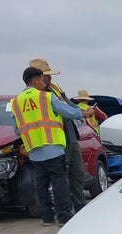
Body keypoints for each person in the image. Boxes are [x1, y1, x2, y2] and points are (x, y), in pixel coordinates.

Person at [11, 66, 91, 226]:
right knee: (59, 183)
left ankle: (47, 218)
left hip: (34, 151)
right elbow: (66, 110)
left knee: (41, 185)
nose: (44, 83)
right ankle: (64, 217)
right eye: (42, 80)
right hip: (53, 148)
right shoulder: (46, 97)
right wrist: (83, 113)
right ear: (35, 81)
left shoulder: (16, 102)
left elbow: (17, 130)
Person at [28, 58, 90, 212]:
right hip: (54, 143)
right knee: (60, 180)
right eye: (46, 75)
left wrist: (83, 111)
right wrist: (82, 113)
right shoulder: (35, 96)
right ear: (37, 77)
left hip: (70, 137)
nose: (49, 78)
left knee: (77, 174)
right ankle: (65, 211)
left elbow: (68, 104)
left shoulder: (54, 88)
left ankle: (80, 207)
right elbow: (63, 110)